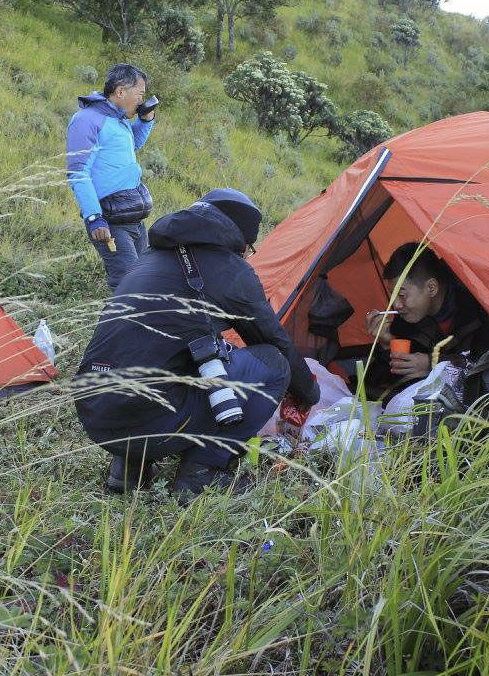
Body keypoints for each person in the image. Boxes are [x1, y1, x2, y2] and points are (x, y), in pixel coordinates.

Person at [74, 189, 320, 501]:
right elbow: (273, 341)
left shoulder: (151, 257)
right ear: (239, 240)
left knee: (172, 354)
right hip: (148, 416)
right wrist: (309, 392)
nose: (247, 256)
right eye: (249, 249)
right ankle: (203, 472)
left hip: (93, 408)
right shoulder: (231, 269)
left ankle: (126, 470)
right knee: (274, 366)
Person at [361, 243, 489, 402]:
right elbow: (394, 383)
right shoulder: (406, 318)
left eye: (402, 295)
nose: (396, 305)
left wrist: (433, 364)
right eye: (392, 295)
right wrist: (387, 344)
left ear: (431, 287)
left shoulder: (478, 308)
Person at [66, 63, 158, 291]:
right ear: (120, 91)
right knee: (128, 288)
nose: (140, 100)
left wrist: (145, 121)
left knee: (142, 285)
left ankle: (130, 326)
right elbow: (78, 172)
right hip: (110, 222)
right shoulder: (87, 120)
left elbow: (131, 145)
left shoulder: (119, 119)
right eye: (140, 94)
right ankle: (116, 327)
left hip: (134, 220)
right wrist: (94, 218)